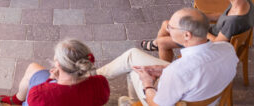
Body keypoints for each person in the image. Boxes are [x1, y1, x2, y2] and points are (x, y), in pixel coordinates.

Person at [97, 8, 237, 106]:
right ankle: (93, 77)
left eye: (171, 27)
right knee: (132, 54)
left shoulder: (177, 71)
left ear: (187, 35)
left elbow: (158, 104)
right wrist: (164, 68)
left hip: (177, 101)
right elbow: (195, 69)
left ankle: (133, 102)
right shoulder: (227, 48)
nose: (167, 29)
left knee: (135, 70)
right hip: (206, 95)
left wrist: (147, 83)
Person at [142, 0, 254, 61]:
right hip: (211, 34)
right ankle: (157, 45)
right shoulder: (244, 3)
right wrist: (199, 15)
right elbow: (222, 16)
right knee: (166, 23)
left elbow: (217, 43)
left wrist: (200, 30)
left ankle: (164, 69)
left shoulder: (233, 22)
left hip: (208, 45)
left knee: (163, 42)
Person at [0, 39, 109, 106]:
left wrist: (51, 79)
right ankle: (17, 99)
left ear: (58, 64)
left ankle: (17, 100)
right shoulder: (100, 83)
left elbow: (44, 97)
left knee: (32, 68)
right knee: (33, 68)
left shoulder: (39, 94)